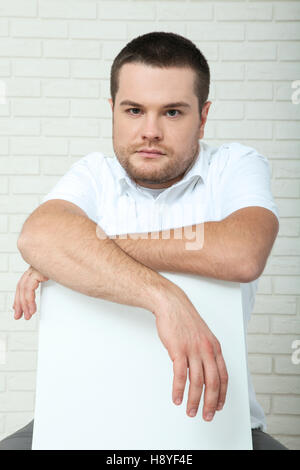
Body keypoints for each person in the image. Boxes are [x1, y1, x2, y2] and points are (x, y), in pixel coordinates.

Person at [0, 32, 288, 451]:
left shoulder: (235, 166)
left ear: (203, 117)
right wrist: (165, 298)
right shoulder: (93, 175)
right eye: (134, 110)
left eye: (172, 112)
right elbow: (37, 236)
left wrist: (89, 249)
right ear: (112, 111)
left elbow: (243, 253)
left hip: (219, 430)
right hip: (78, 421)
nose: (149, 131)